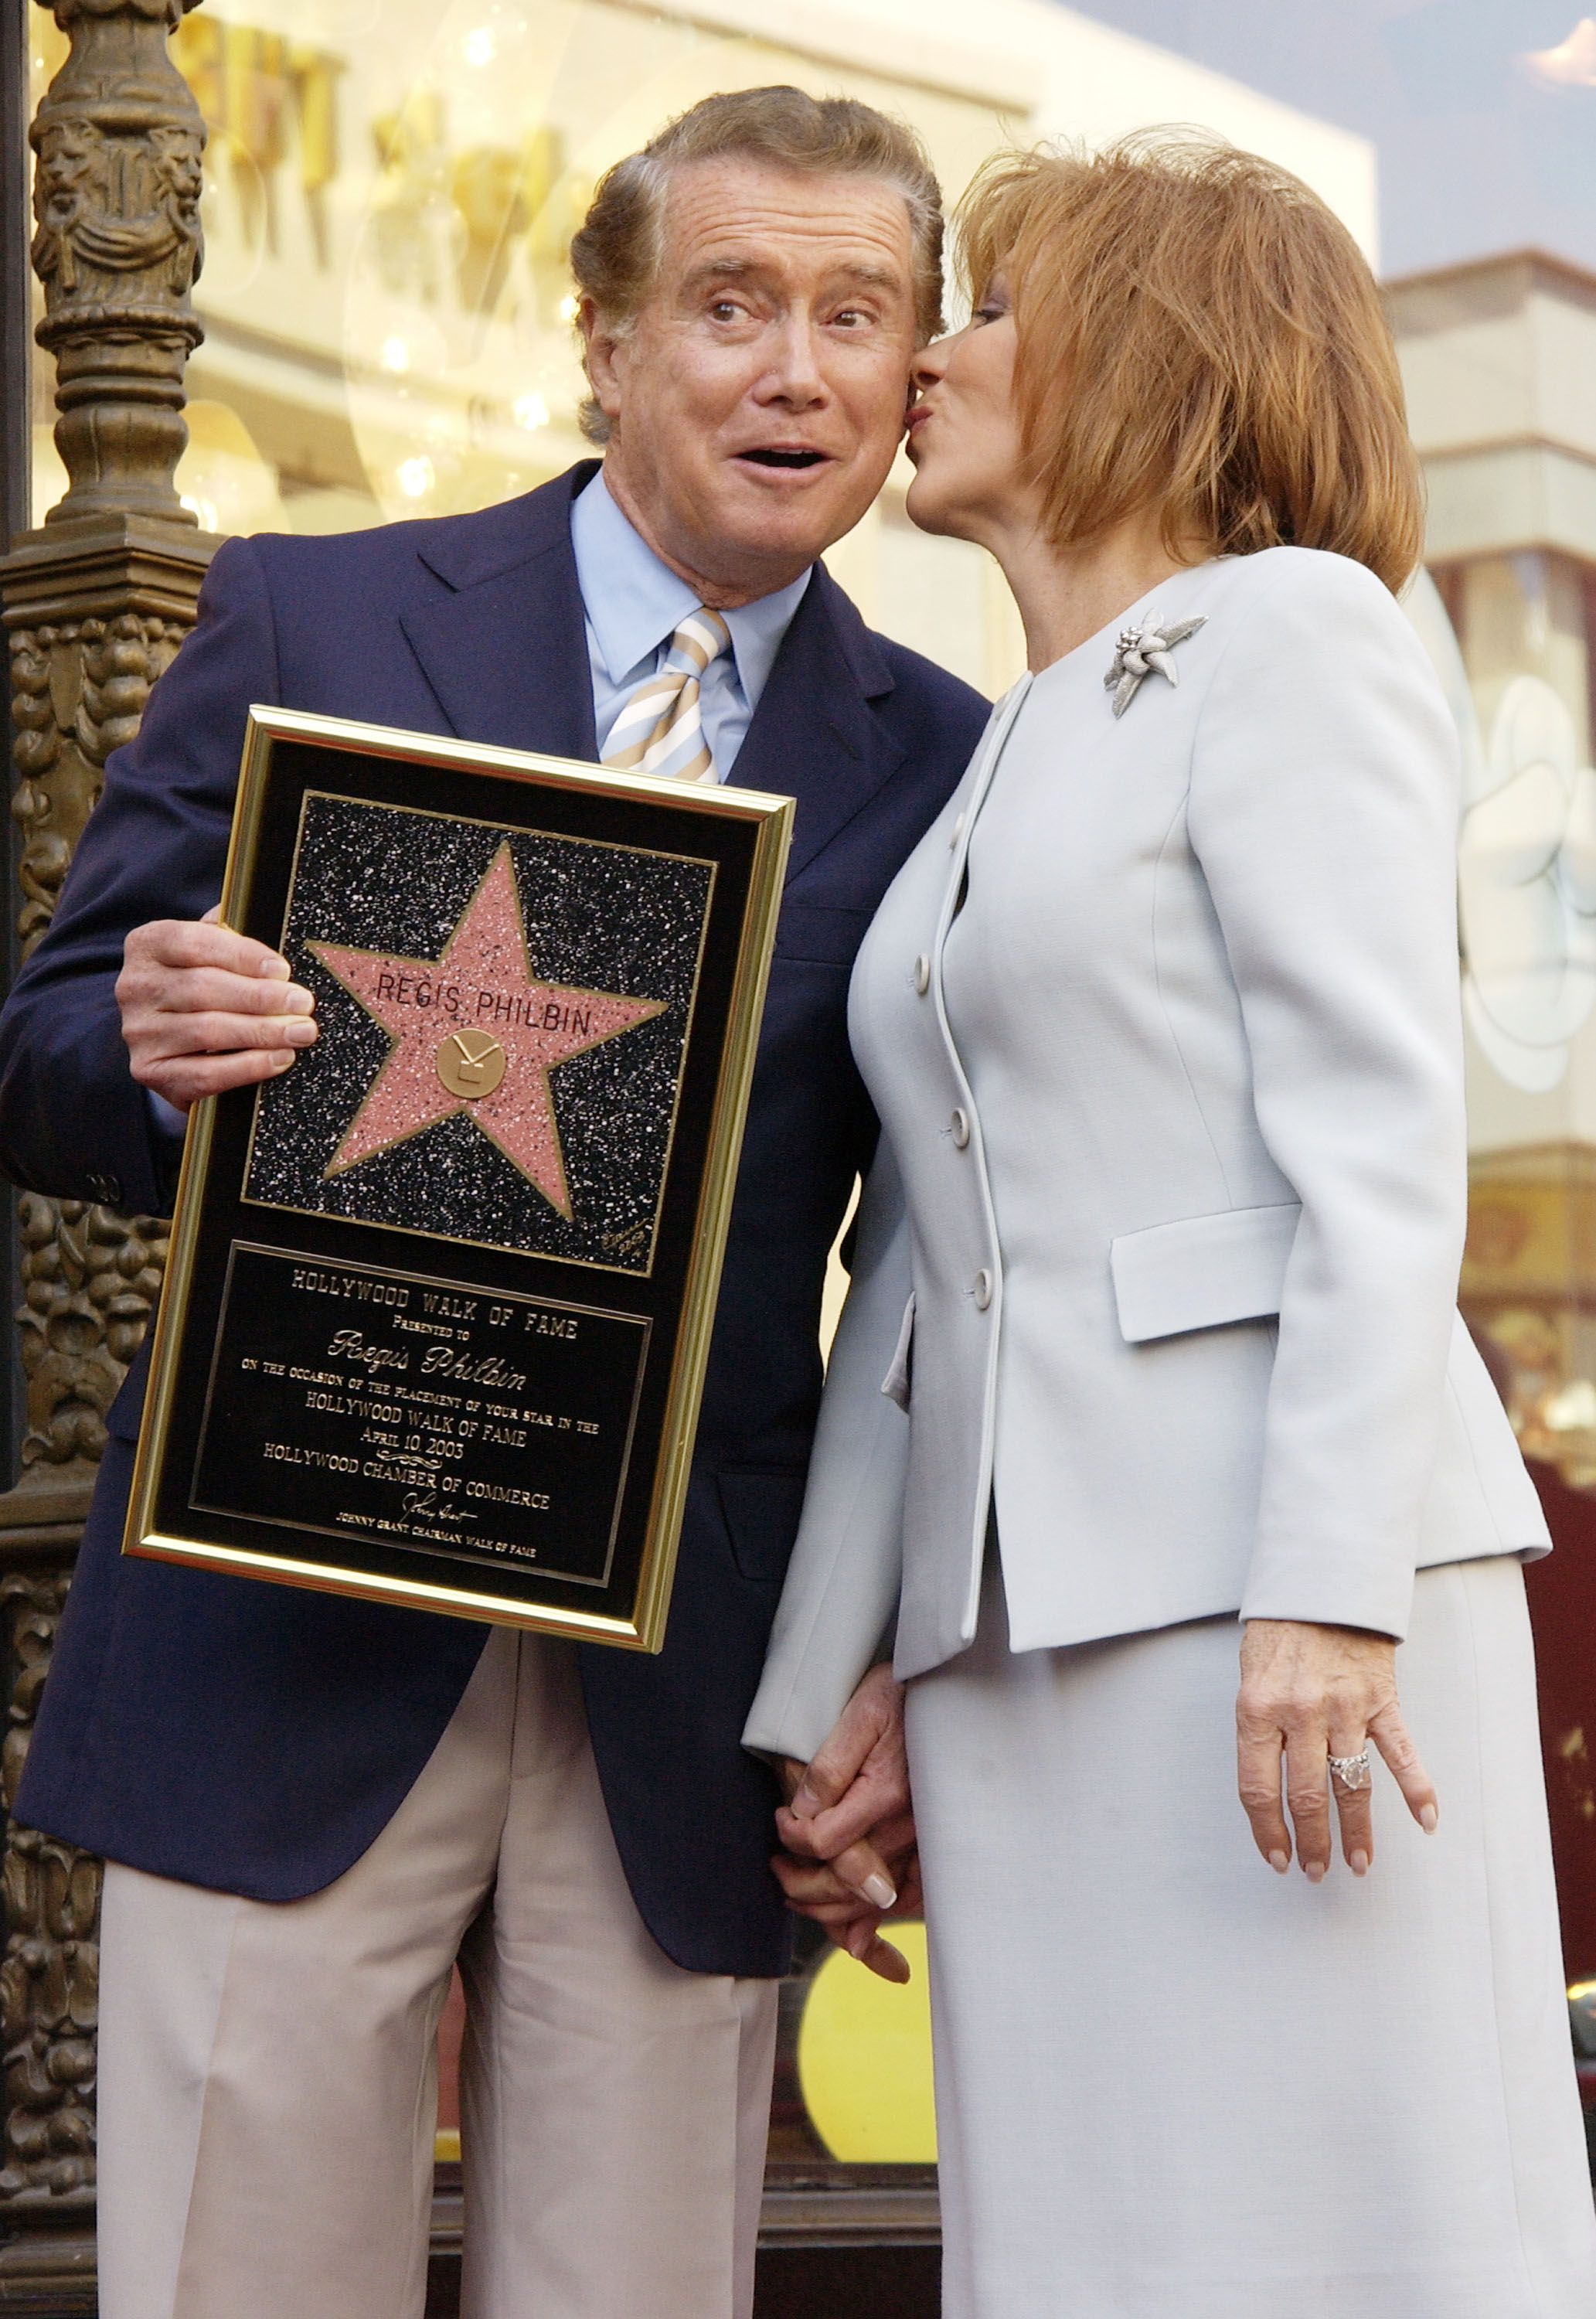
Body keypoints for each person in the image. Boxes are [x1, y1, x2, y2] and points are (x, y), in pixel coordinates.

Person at [0, 87, 986, 2319]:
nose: (796, 371)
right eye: (731, 303)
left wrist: (890, 1663)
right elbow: (45, 1061)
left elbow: (930, 1281)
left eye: (856, 315)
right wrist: (154, 1045)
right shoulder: (307, 618)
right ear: (604, 345)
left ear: (913, 377)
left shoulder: (943, 760)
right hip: (278, 1622)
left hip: (682, 1677)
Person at [747, 134, 1596, 2317]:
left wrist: (1321, 1585)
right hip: (1023, 1651)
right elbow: (925, 1272)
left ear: (1153, 354)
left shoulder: (1294, 635)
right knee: (1094, 2252)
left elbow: (1380, 1147)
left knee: (1365, 2235)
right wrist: (838, 1678)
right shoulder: (1003, 752)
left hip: (1288, 1617)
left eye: (987, 310)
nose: (925, 356)